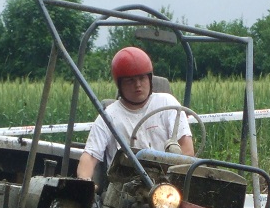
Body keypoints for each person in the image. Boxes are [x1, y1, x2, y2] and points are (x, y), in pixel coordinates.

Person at [77, 46, 194, 182]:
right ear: (120, 84)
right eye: (130, 80)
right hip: (124, 187)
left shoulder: (168, 103)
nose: (137, 85)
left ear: (150, 79)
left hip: (166, 184)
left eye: (142, 78)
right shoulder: (109, 116)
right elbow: (90, 156)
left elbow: (187, 150)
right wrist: (84, 180)